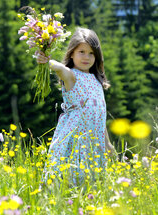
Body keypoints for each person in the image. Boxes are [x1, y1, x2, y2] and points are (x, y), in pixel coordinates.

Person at [37, 27, 116, 183]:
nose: (86, 57)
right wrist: (46, 60)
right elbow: (60, 69)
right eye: (82, 52)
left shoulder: (97, 82)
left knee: (92, 185)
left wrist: (107, 143)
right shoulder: (72, 76)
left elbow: (100, 116)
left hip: (94, 144)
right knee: (69, 181)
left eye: (91, 53)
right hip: (75, 142)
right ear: (72, 53)